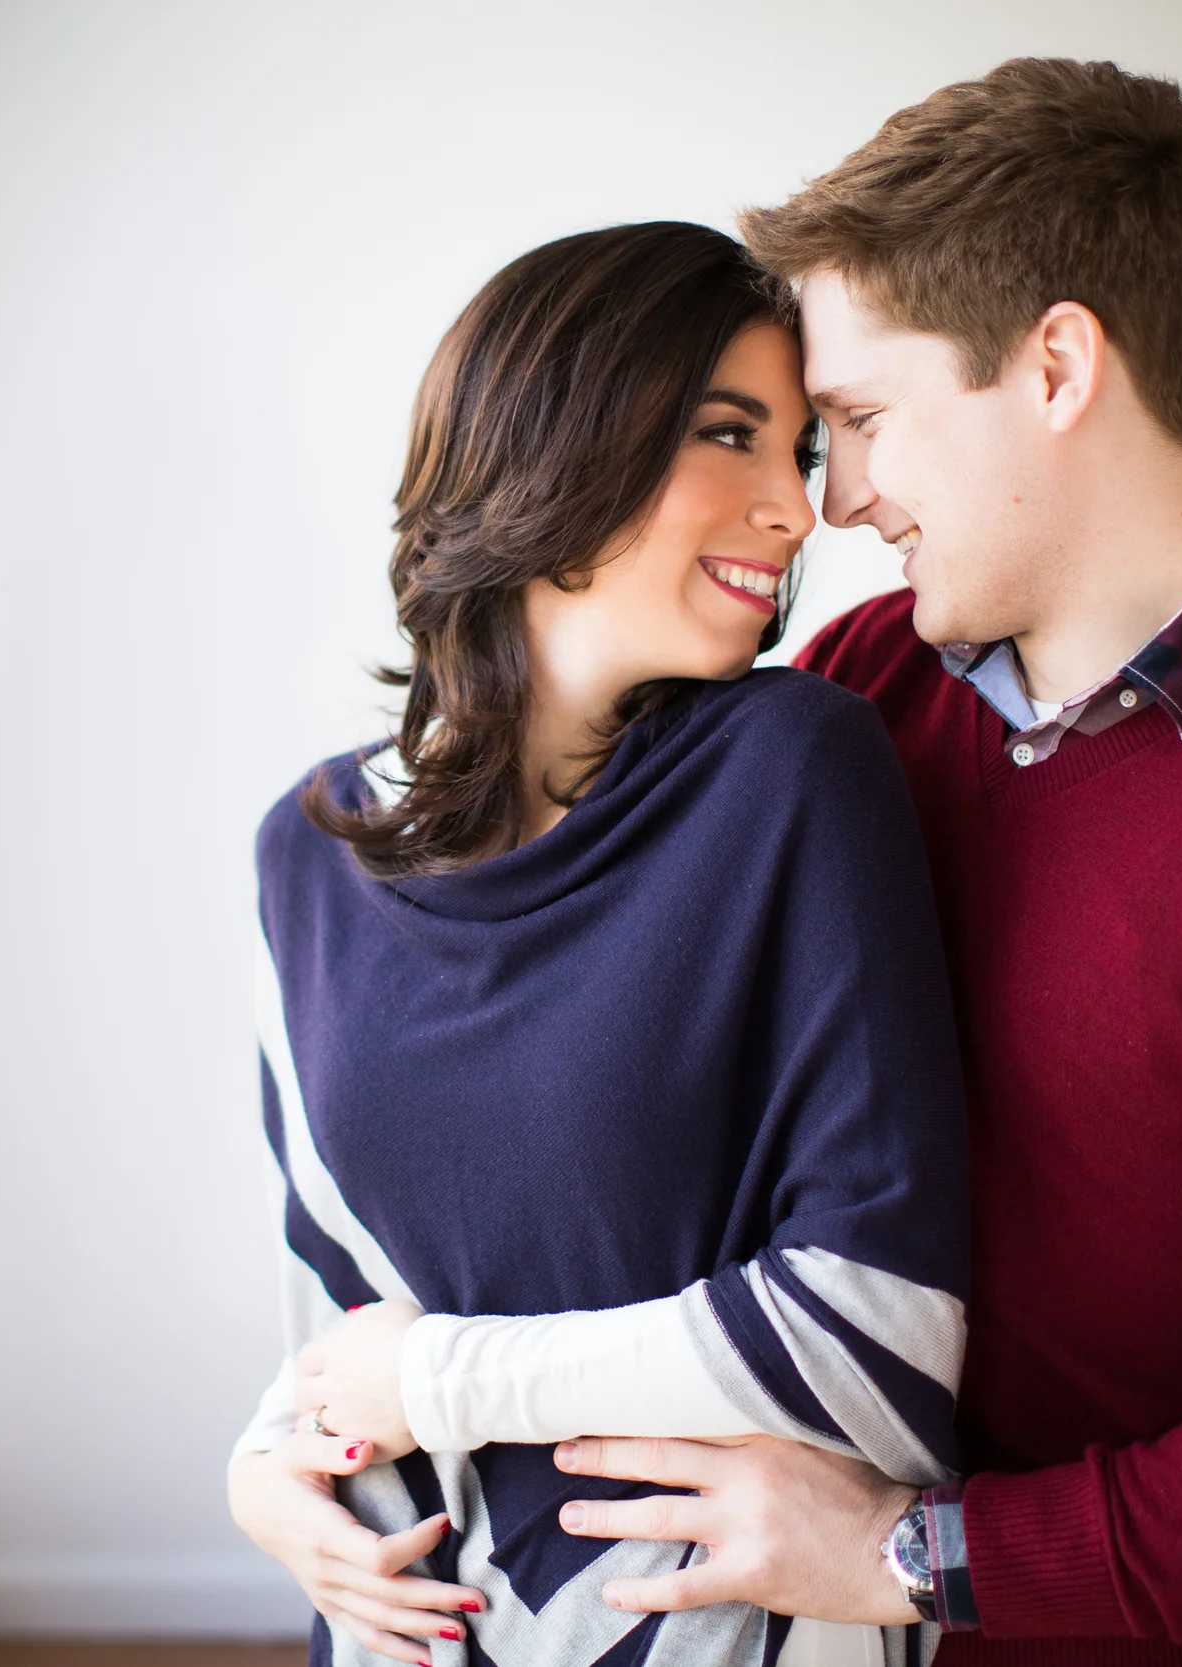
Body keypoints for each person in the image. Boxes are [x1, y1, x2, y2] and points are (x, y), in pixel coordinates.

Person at [288, 57, 1182, 1667]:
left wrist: (918, 1557)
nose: (834, 499)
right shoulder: (855, 691)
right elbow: (547, 1110)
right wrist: (298, 1431)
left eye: (861, 420)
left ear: (1055, 368)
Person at [226, 221, 973, 1667]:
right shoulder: (308, 849)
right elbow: (334, 1331)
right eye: (730, 435)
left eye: (802, 455)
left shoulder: (792, 774)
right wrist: (262, 1458)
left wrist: (437, 1379)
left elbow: (879, 1336)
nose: (798, 511)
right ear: (556, 440)